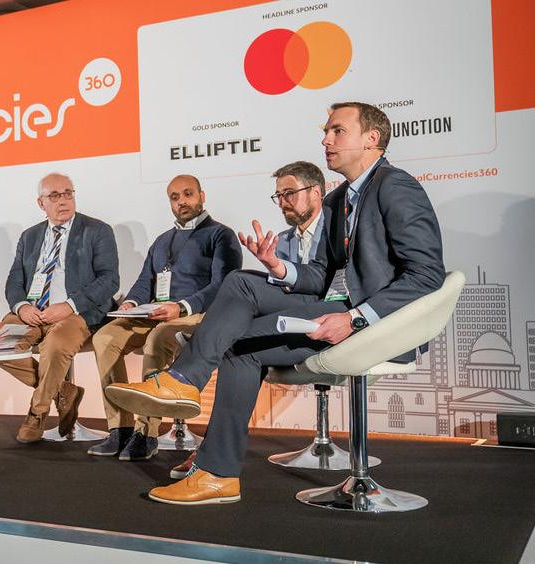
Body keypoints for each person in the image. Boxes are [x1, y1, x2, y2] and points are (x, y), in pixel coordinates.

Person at [106, 102, 445, 505]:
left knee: (239, 346)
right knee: (241, 282)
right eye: (326, 131)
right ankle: (185, 390)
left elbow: (426, 275)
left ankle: (214, 467)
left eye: (337, 131)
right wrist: (280, 268)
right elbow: (320, 275)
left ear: (372, 139)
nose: (326, 139)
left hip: (373, 322)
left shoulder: (395, 186)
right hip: (331, 304)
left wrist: (355, 319)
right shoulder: (339, 199)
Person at [168, 161, 327, 479]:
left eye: (290, 193)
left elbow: (326, 288)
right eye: (278, 196)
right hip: (286, 324)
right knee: (238, 346)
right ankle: (215, 464)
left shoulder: (335, 232)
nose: (283, 202)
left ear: (316, 192)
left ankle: (195, 360)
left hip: (326, 321)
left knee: (240, 284)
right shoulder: (282, 240)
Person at [89, 174, 241, 461]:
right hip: (155, 313)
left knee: (158, 338)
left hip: (196, 315)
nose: (181, 201)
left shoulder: (221, 235)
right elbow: (145, 281)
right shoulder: (162, 240)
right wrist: (131, 302)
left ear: (202, 196)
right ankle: (120, 427)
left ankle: (146, 432)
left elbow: (224, 285)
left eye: (188, 194)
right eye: (174, 197)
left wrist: (181, 307)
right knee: (105, 337)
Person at [0, 172, 119, 443]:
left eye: (68, 193)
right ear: (41, 203)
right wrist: (22, 307)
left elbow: (109, 280)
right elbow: (14, 281)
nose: (63, 200)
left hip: (77, 313)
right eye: (54, 195)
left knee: (54, 346)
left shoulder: (97, 230)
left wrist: (70, 305)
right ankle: (63, 392)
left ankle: (37, 413)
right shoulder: (30, 236)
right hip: (33, 312)